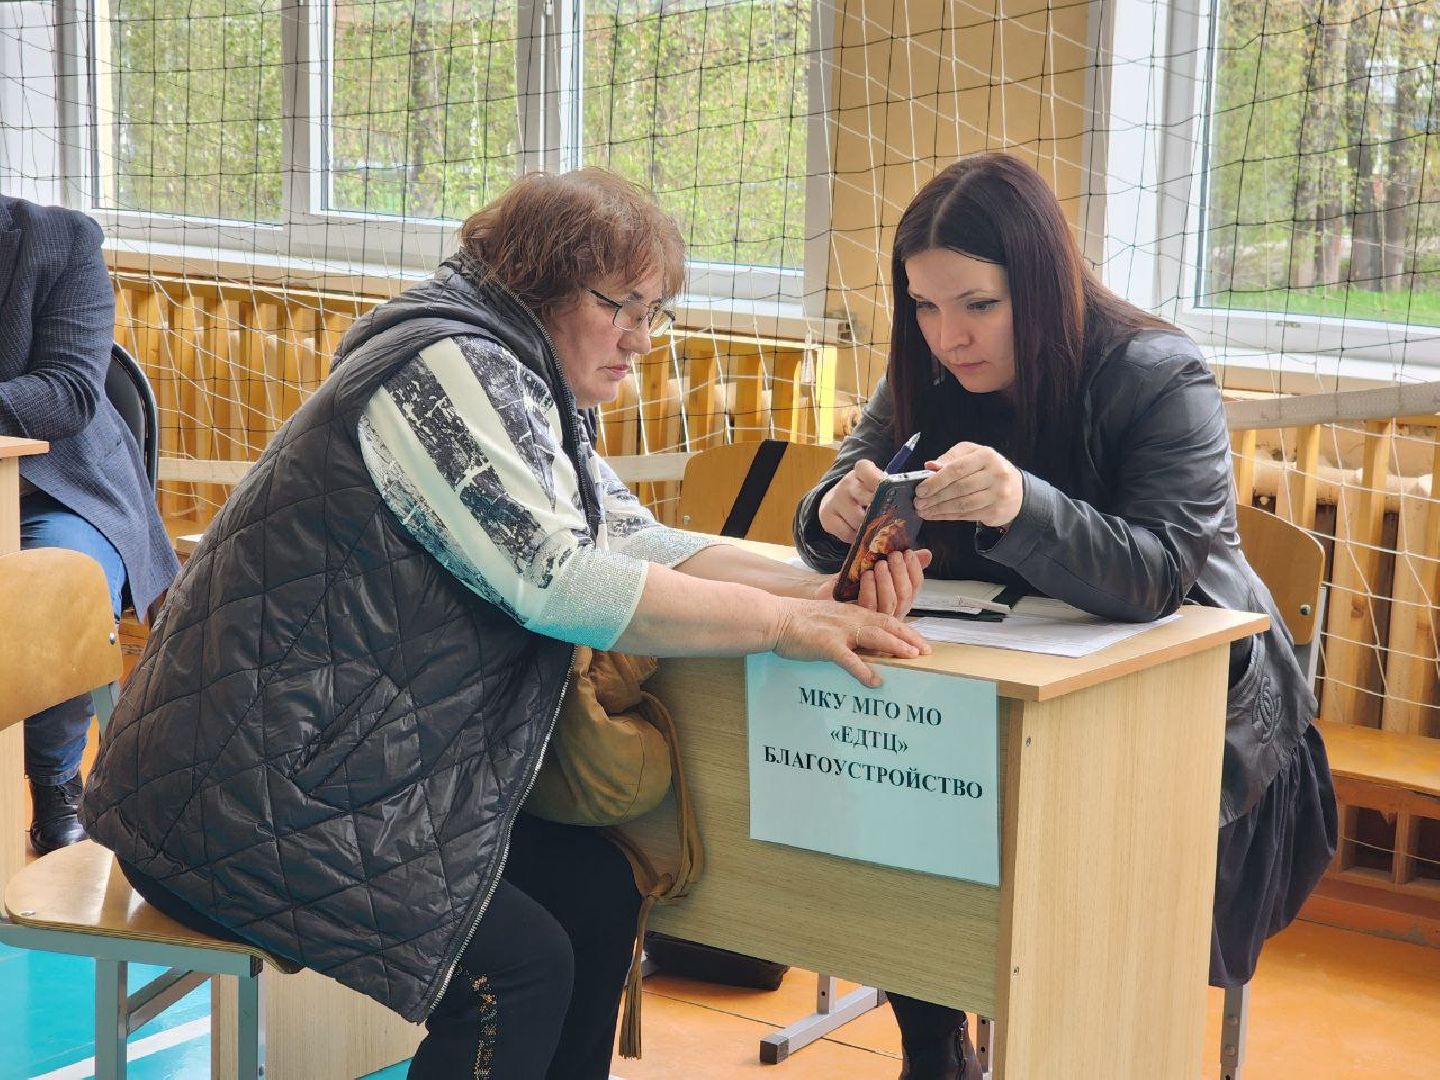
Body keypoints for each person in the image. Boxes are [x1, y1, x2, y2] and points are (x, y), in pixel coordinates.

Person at [80, 168, 931, 1080]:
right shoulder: (442, 371)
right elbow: (558, 583)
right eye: (624, 308)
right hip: (235, 800)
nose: (643, 340)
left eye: (656, 312)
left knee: (601, 890)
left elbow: (625, 537)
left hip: (346, 774)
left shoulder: (519, 375)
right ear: (545, 284)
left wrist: (809, 590)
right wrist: (776, 625)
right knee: (517, 968)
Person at [793, 153, 1338, 1080]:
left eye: (976, 304)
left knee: (998, 840)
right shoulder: (925, 371)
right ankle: (935, 1049)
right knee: (882, 780)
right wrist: (830, 515)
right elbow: (842, 498)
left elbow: (1163, 575)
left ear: (1040, 285)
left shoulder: (1160, 375)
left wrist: (1021, 506)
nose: (947, 336)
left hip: (1197, 724)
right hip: (996, 699)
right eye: (924, 307)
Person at [0, 194, 180, 854]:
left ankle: (53, 785)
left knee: (53, 587)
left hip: (64, 488)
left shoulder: (62, 241)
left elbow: (70, 391)